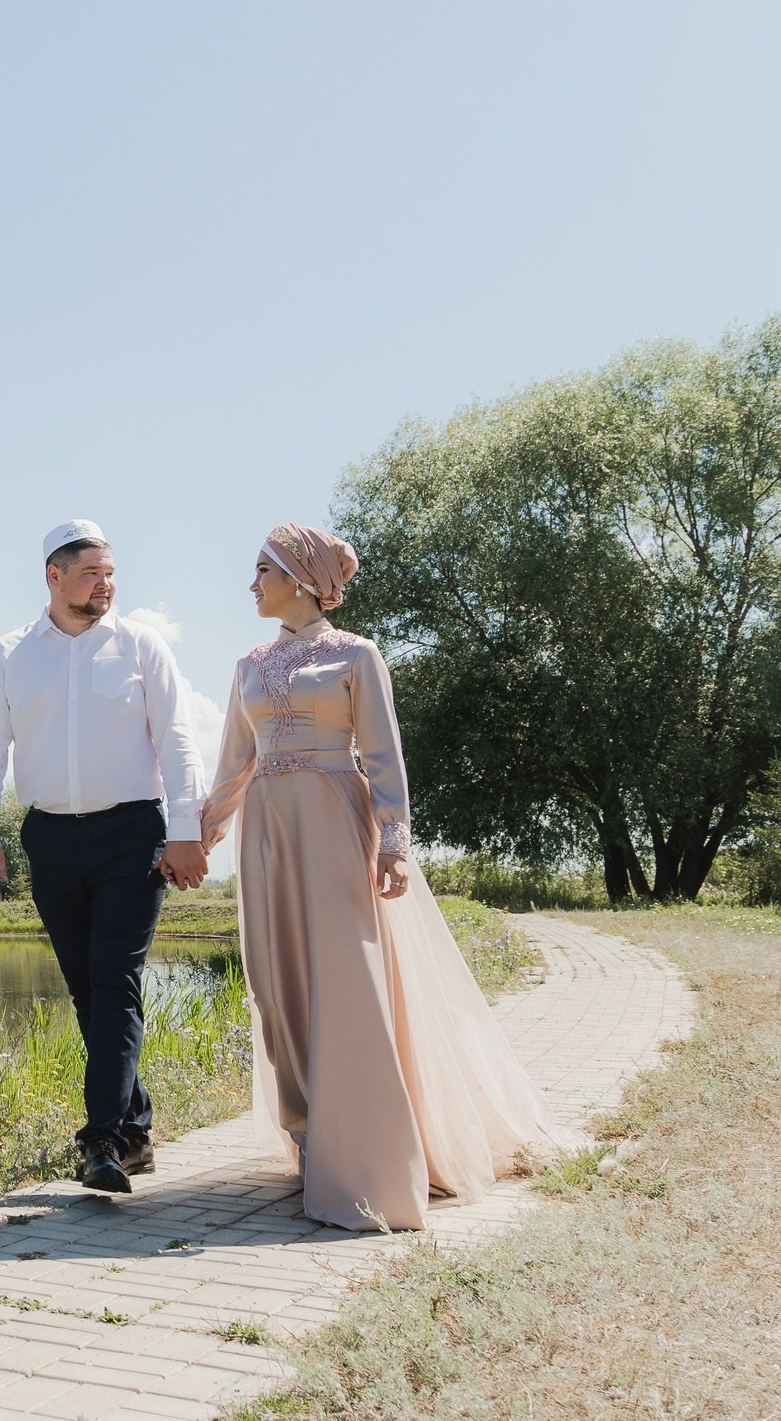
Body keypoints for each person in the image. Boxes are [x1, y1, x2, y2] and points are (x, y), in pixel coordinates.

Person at [200, 523, 551, 1231]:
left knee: (347, 983)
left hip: (335, 823)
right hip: (268, 833)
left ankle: (368, 1161)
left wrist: (395, 840)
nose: (252, 583)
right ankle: (310, 1130)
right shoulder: (246, 666)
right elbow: (233, 763)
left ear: (301, 577)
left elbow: (385, 756)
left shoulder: (357, 656)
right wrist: (195, 834)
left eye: (263, 569)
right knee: (275, 986)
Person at [0, 520, 209, 1193]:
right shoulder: (11, 653)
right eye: (93, 572)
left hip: (133, 832)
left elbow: (179, 740)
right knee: (88, 989)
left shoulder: (140, 644)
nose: (107, 584)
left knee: (115, 978)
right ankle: (133, 1132)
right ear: (54, 576)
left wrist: (187, 828)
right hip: (50, 837)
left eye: (111, 572)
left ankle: (99, 1139)